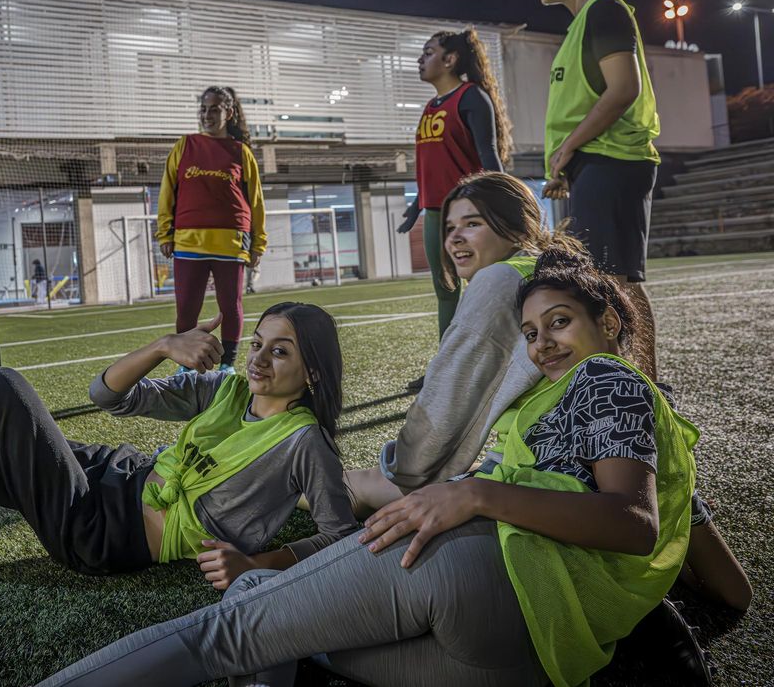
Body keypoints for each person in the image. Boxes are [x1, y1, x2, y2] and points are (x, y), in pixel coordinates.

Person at [36, 248, 703, 687]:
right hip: (527, 652)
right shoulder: (605, 407)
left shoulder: (605, 379)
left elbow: (633, 522)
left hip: (478, 572)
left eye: (560, 321)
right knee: (271, 635)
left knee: (225, 631)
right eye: (530, 333)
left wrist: (474, 492)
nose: (543, 343)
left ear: (610, 320)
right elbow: (693, 558)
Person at [348, 172, 751, 612]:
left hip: (557, 473)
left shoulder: (499, 280)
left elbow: (444, 402)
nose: (455, 239)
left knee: (359, 489)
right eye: (449, 227)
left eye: (473, 223)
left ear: (517, 226)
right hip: (628, 452)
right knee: (732, 593)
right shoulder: (556, 276)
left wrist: (409, 475)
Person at [0, 303, 357, 582]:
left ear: (312, 374)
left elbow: (339, 539)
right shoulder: (225, 388)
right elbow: (109, 396)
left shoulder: (304, 444)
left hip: (108, 533)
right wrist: (159, 348)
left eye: (279, 350)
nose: (258, 358)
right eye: (257, 343)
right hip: (112, 473)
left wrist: (257, 561)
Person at [532, 0, 661, 379]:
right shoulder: (577, 28)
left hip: (616, 161)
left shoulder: (606, 10)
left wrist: (568, 148)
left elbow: (623, 89)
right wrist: (567, 164)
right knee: (604, 282)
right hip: (594, 164)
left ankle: (648, 383)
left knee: (619, 280)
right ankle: (621, 376)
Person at [398, 28, 513, 392]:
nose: (421, 59)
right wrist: (417, 205)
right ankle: (447, 369)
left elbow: (489, 157)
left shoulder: (471, 97)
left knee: (490, 290)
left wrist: (506, 207)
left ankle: (505, 362)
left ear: (450, 60)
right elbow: (430, 166)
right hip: (436, 214)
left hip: (472, 213)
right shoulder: (429, 107)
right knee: (445, 290)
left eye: (428, 52)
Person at [157, 86, 266, 374]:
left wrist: (258, 244)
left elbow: (255, 201)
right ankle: (187, 363)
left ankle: (228, 364)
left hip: (230, 242)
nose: (208, 114)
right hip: (188, 241)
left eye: (215, 109)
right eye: (204, 109)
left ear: (228, 113)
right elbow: (167, 191)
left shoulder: (240, 152)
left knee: (230, 305)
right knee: (187, 308)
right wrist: (165, 232)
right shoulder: (185, 146)